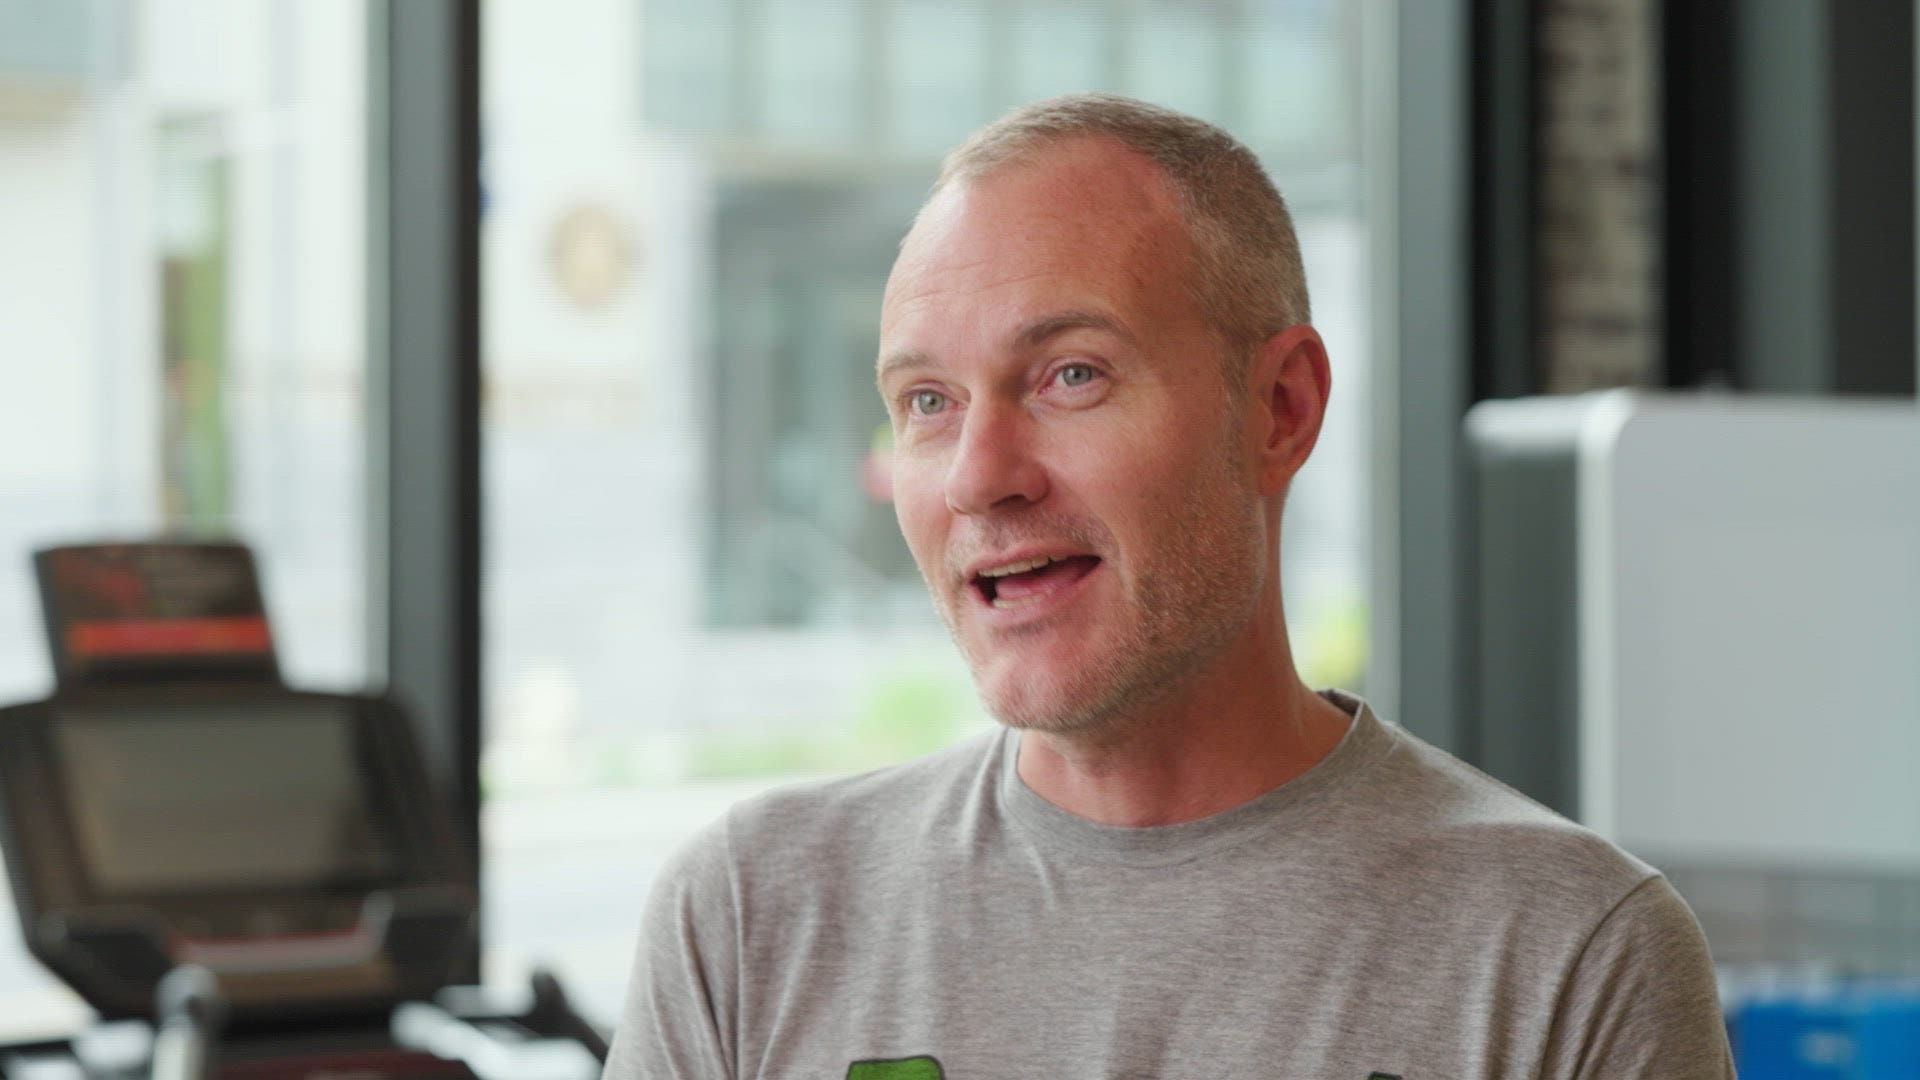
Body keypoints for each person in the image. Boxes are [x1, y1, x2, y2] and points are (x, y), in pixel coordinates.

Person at [604, 94, 1733, 1079]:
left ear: (1279, 410)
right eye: (929, 402)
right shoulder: (750, 920)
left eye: (1071, 375)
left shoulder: (1571, 956)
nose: (979, 477)